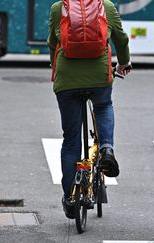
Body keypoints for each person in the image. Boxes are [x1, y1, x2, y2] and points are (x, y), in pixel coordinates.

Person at [47, 0, 131, 219]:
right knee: (103, 106)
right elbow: (121, 40)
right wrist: (123, 63)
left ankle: (70, 198)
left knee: (71, 139)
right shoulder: (107, 6)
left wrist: (53, 67)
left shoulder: (58, 8)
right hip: (98, 77)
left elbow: (52, 42)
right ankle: (106, 149)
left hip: (67, 79)